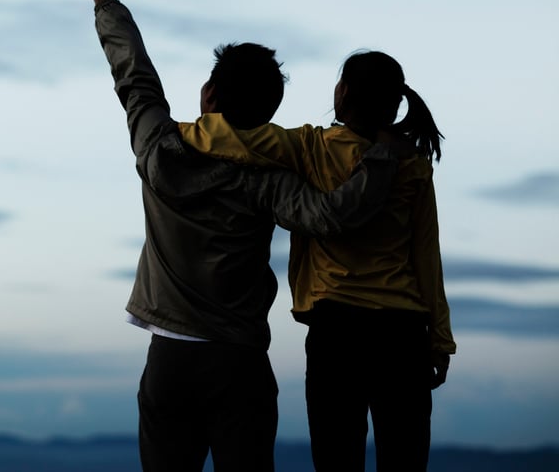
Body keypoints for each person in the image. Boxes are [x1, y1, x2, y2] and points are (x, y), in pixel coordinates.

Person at [71, 0, 398, 472]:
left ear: (210, 96)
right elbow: (336, 214)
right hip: (240, 363)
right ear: (269, 112)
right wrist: (381, 155)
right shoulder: (270, 179)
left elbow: (134, 77)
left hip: (169, 360)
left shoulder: (159, 149)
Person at [179, 48, 456, 471]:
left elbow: (227, 140)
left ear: (342, 93)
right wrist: (439, 339)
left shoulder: (309, 146)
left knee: (335, 460)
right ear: (395, 105)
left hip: (337, 331)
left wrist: (167, 129)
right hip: (404, 334)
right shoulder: (411, 165)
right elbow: (426, 258)